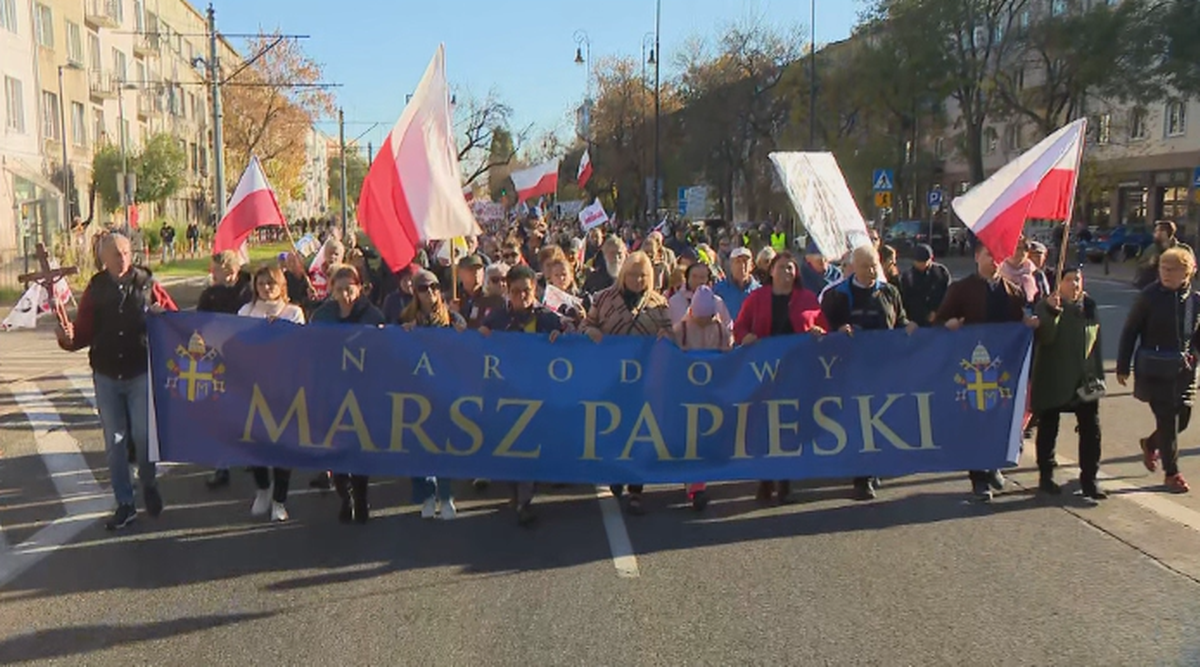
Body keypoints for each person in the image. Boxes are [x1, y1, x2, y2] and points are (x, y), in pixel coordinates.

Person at [56, 232, 178, 530]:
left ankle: (148, 483)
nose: (122, 258)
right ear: (103, 259)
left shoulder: (147, 284)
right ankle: (125, 503)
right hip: (107, 374)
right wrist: (68, 339)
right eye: (115, 254)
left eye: (125, 252)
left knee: (143, 435)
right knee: (115, 443)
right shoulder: (96, 288)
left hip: (140, 371)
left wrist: (164, 318)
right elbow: (82, 332)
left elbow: (177, 321)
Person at [937, 242, 1040, 501]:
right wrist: (947, 324)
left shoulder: (1012, 291)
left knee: (998, 420)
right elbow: (939, 320)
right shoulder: (960, 289)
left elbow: (1018, 326)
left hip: (1001, 370)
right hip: (971, 371)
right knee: (975, 422)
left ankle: (993, 464)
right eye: (988, 255)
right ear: (976, 257)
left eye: (998, 256)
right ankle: (978, 477)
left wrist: (1027, 323)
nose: (994, 261)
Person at [821, 245, 918, 500]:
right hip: (851, 369)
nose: (871, 270)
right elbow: (825, 327)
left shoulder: (889, 292)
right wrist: (839, 331)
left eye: (874, 265)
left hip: (884, 368)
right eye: (865, 266)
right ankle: (861, 477)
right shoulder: (838, 295)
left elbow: (900, 320)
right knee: (858, 420)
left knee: (880, 419)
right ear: (854, 267)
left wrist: (908, 327)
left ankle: (874, 467)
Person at [734, 251, 829, 504]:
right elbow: (739, 326)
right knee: (765, 426)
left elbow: (823, 327)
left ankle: (785, 481)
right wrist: (745, 337)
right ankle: (765, 480)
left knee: (790, 425)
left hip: (796, 371)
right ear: (771, 271)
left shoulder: (807, 298)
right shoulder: (757, 298)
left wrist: (819, 333)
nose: (786, 272)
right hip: (763, 372)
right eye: (782, 267)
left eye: (791, 268)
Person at [583, 251, 674, 515]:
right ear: (624, 274)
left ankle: (637, 489)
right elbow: (585, 325)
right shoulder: (603, 298)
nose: (637, 279)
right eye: (633, 274)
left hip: (645, 381)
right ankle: (615, 474)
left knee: (640, 433)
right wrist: (592, 332)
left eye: (643, 275)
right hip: (610, 377)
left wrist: (665, 336)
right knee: (614, 429)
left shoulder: (659, 304)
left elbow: (671, 337)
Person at [481, 265, 568, 526]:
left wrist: (561, 336)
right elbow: (479, 347)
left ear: (535, 290)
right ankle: (516, 494)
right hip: (506, 394)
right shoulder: (496, 319)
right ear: (508, 291)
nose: (522, 296)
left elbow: (569, 343)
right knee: (510, 448)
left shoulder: (547, 319)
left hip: (538, 395)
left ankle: (524, 500)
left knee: (529, 447)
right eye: (516, 291)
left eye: (527, 291)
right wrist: (480, 337)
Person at [1118, 247, 1198, 494]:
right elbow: (1130, 330)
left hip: (1183, 371)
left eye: (1172, 269)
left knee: (1182, 418)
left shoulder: (1194, 300)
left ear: (1187, 272)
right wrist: (1122, 365)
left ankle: (1150, 443)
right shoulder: (1149, 296)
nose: (1166, 273)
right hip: (1154, 368)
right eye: (1163, 268)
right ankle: (1172, 473)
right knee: (1168, 420)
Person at [311, 265, 386, 522]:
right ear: (331, 290)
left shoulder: (372, 314)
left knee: (359, 447)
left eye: (349, 289)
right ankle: (346, 496)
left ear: (359, 288)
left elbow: (384, 345)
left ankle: (362, 497)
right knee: (337, 448)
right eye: (339, 289)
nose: (345, 295)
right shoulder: (322, 316)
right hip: (332, 390)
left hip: (363, 390)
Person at [1030, 266, 1106, 500]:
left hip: (1084, 379)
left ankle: (1090, 480)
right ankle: (1046, 476)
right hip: (1054, 377)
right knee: (1049, 427)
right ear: (1058, 284)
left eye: (1078, 279)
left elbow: (1096, 346)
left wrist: (1099, 376)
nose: (1074, 284)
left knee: (1091, 429)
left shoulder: (1089, 307)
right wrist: (1052, 313)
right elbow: (1046, 337)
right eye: (1069, 280)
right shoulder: (1046, 306)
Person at [237, 265, 306, 521]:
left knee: (283, 445)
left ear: (281, 286)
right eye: (262, 283)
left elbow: (300, 347)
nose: (267, 288)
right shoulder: (246, 312)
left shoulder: (293, 313)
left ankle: (280, 500)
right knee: (255, 443)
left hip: (284, 388)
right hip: (252, 387)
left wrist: (280, 331)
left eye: (272, 283)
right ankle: (263, 489)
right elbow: (238, 345)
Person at [400, 270, 468, 519]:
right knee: (418, 445)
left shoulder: (451, 318)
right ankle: (427, 495)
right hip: (416, 390)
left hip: (444, 390)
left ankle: (447, 496)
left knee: (443, 445)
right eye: (423, 288)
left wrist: (464, 332)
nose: (430, 292)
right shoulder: (406, 318)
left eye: (435, 287)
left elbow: (467, 350)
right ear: (415, 293)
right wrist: (403, 332)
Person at [673, 286, 732, 510]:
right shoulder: (682, 329)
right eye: (700, 318)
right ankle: (694, 486)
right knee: (690, 440)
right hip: (686, 394)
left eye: (707, 318)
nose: (704, 322)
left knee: (704, 440)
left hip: (711, 394)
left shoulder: (719, 329)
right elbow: (670, 354)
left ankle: (697, 486)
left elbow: (729, 354)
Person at [197, 250, 253, 489]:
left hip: (248, 358)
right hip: (219, 357)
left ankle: (252, 454)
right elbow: (198, 323)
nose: (214, 274)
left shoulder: (250, 291)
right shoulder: (210, 295)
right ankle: (222, 465)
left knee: (249, 410)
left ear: (231, 271)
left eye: (217, 270)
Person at [668, 261, 732, 331]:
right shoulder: (674, 301)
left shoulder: (717, 302)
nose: (698, 281)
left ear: (708, 280)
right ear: (687, 278)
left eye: (702, 277)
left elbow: (728, 327)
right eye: (694, 276)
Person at [900, 244, 952, 327]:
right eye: (918, 262)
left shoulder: (941, 272)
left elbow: (948, 294)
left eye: (924, 262)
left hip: (939, 319)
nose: (921, 265)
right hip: (916, 321)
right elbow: (905, 300)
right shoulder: (908, 277)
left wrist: (936, 311)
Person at [1135, 221, 1195, 289]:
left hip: (1177, 287)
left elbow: (1192, 267)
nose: (1155, 234)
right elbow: (1140, 266)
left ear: (1167, 233)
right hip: (1153, 288)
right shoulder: (1151, 249)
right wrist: (1149, 263)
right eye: (1155, 231)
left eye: (1158, 231)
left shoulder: (1183, 249)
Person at [714, 246, 760, 321]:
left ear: (752, 266)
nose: (742, 266)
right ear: (731, 265)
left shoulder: (759, 291)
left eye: (745, 261)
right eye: (737, 262)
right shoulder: (718, 290)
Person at [998, 239, 1039, 304]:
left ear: (1027, 253)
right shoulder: (997, 272)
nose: (1015, 252)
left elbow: (1043, 298)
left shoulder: (1036, 274)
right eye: (1011, 248)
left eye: (1019, 248)